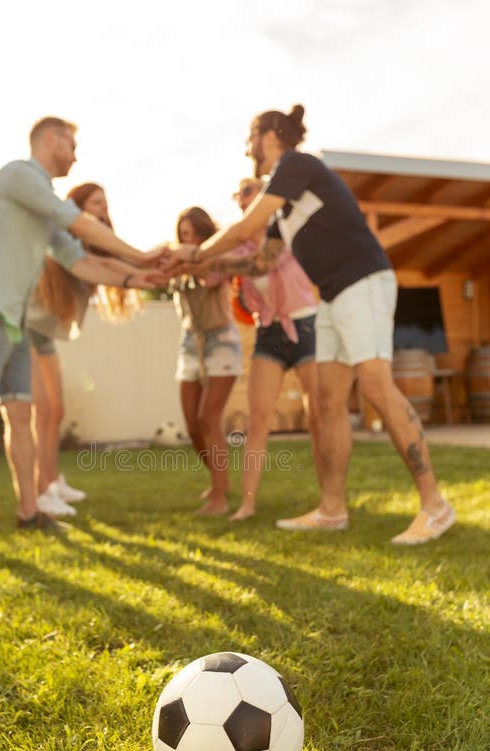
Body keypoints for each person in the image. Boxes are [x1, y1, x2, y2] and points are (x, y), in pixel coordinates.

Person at [168, 105, 455, 545]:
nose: (249, 150)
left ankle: (435, 506)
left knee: (376, 385)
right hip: (333, 295)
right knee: (326, 400)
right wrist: (197, 260)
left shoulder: (297, 165)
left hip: (363, 281)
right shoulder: (286, 209)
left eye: (252, 138)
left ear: (269, 135)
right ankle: (332, 510)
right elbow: (258, 260)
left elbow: (247, 224)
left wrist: (195, 253)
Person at [0, 116, 165, 544]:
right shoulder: (19, 176)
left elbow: (81, 262)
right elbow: (78, 223)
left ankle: (29, 512)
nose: (75, 156)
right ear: (51, 139)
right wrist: (141, 255)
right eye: (72, 145)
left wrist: (137, 278)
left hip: (14, 319)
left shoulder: (43, 207)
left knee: (22, 416)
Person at [26, 181, 148, 517]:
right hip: (27, 327)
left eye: (105, 202)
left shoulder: (98, 244)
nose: (103, 208)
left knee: (56, 410)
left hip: (43, 333)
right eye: (96, 202)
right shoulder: (66, 239)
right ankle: (41, 489)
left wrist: (147, 267)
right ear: (78, 207)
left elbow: (111, 266)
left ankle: (51, 480)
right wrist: (144, 267)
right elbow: (101, 267)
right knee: (45, 411)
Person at [225, 177, 321, 521]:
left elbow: (265, 263)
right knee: (258, 420)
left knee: (318, 415)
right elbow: (214, 268)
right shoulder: (236, 248)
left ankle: (330, 501)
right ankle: (247, 504)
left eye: (251, 190)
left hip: (306, 325)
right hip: (269, 332)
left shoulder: (285, 231)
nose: (245, 198)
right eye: (241, 194)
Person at [172, 207, 242, 515]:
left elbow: (211, 277)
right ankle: (219, 481)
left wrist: (182, 262)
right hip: (190, 342)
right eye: (183, 235)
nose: (188, 240)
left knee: (208, 418)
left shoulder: (218, 260)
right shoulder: (180, 265)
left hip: (221, 341)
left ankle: (219, 497)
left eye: (194, 234)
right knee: (193, 425)